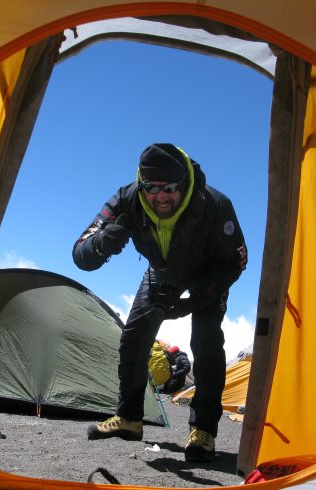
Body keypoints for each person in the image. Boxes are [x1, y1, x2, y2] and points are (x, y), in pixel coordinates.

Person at [72, 143, 247, 462]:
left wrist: (192, 304)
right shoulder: (127, 199)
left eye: (169, 188)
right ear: (141, 183)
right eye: (151, 187)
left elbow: (236, 261)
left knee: (206, 340)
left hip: (209, 273)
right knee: (134, 336)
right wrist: (103, 243)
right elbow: (80, 253)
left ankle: (203, 430)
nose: (160, 196)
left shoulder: (215, 205)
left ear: (183, 184)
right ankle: (129, 419)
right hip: (163, 271)